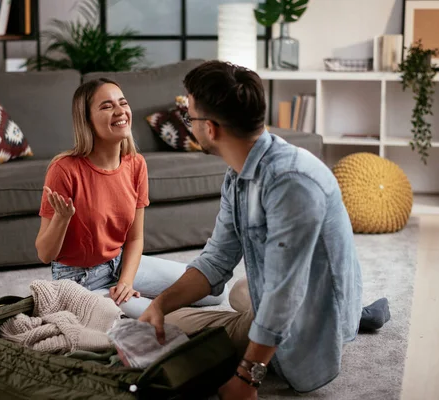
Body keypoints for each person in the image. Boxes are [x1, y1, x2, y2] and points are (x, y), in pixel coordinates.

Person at [138, 61, 390, 399]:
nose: (188, 125)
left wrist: (247, 378)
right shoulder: (239, 174)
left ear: (210, 128)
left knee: (177, 328)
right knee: (238, 293)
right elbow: (215, 261)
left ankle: (341, 322)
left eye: (189, 118)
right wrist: (160, 304)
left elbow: (285, 292)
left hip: (304, 314)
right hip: (296, 291)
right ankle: (354, 314)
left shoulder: (292, 182)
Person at [34, 77, 227, 319]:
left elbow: (135, 238)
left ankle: (138, 294)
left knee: (215, 290)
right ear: (87, 120)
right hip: (79, 281)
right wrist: (62, 219)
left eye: (122, 103)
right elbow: (44, 254)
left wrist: (126, 281)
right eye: (106, 106)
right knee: (160, 321)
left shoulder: (135, 164)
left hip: (120, 264)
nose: (120, 111)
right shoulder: (63, 169)